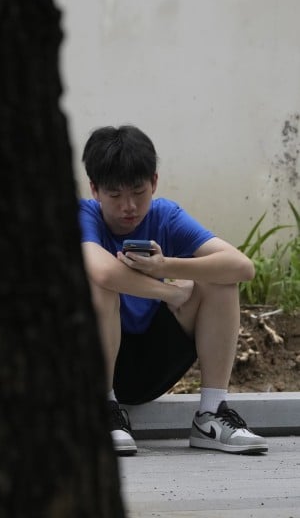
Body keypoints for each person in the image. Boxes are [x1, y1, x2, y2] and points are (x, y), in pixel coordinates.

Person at [79, 125, 267, 455]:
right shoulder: (84, 215)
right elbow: (103, 271)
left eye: (138, 192)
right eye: (115, 195)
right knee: (98, 284)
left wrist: (166, 266)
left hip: (153, 361)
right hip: (94, 364)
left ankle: (211, 414)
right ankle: (103, 410)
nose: (129, 206)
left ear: (154, 182)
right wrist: (169, 291)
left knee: (219, 279)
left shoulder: (166, 216)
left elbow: (242, 267)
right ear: (95, 190)